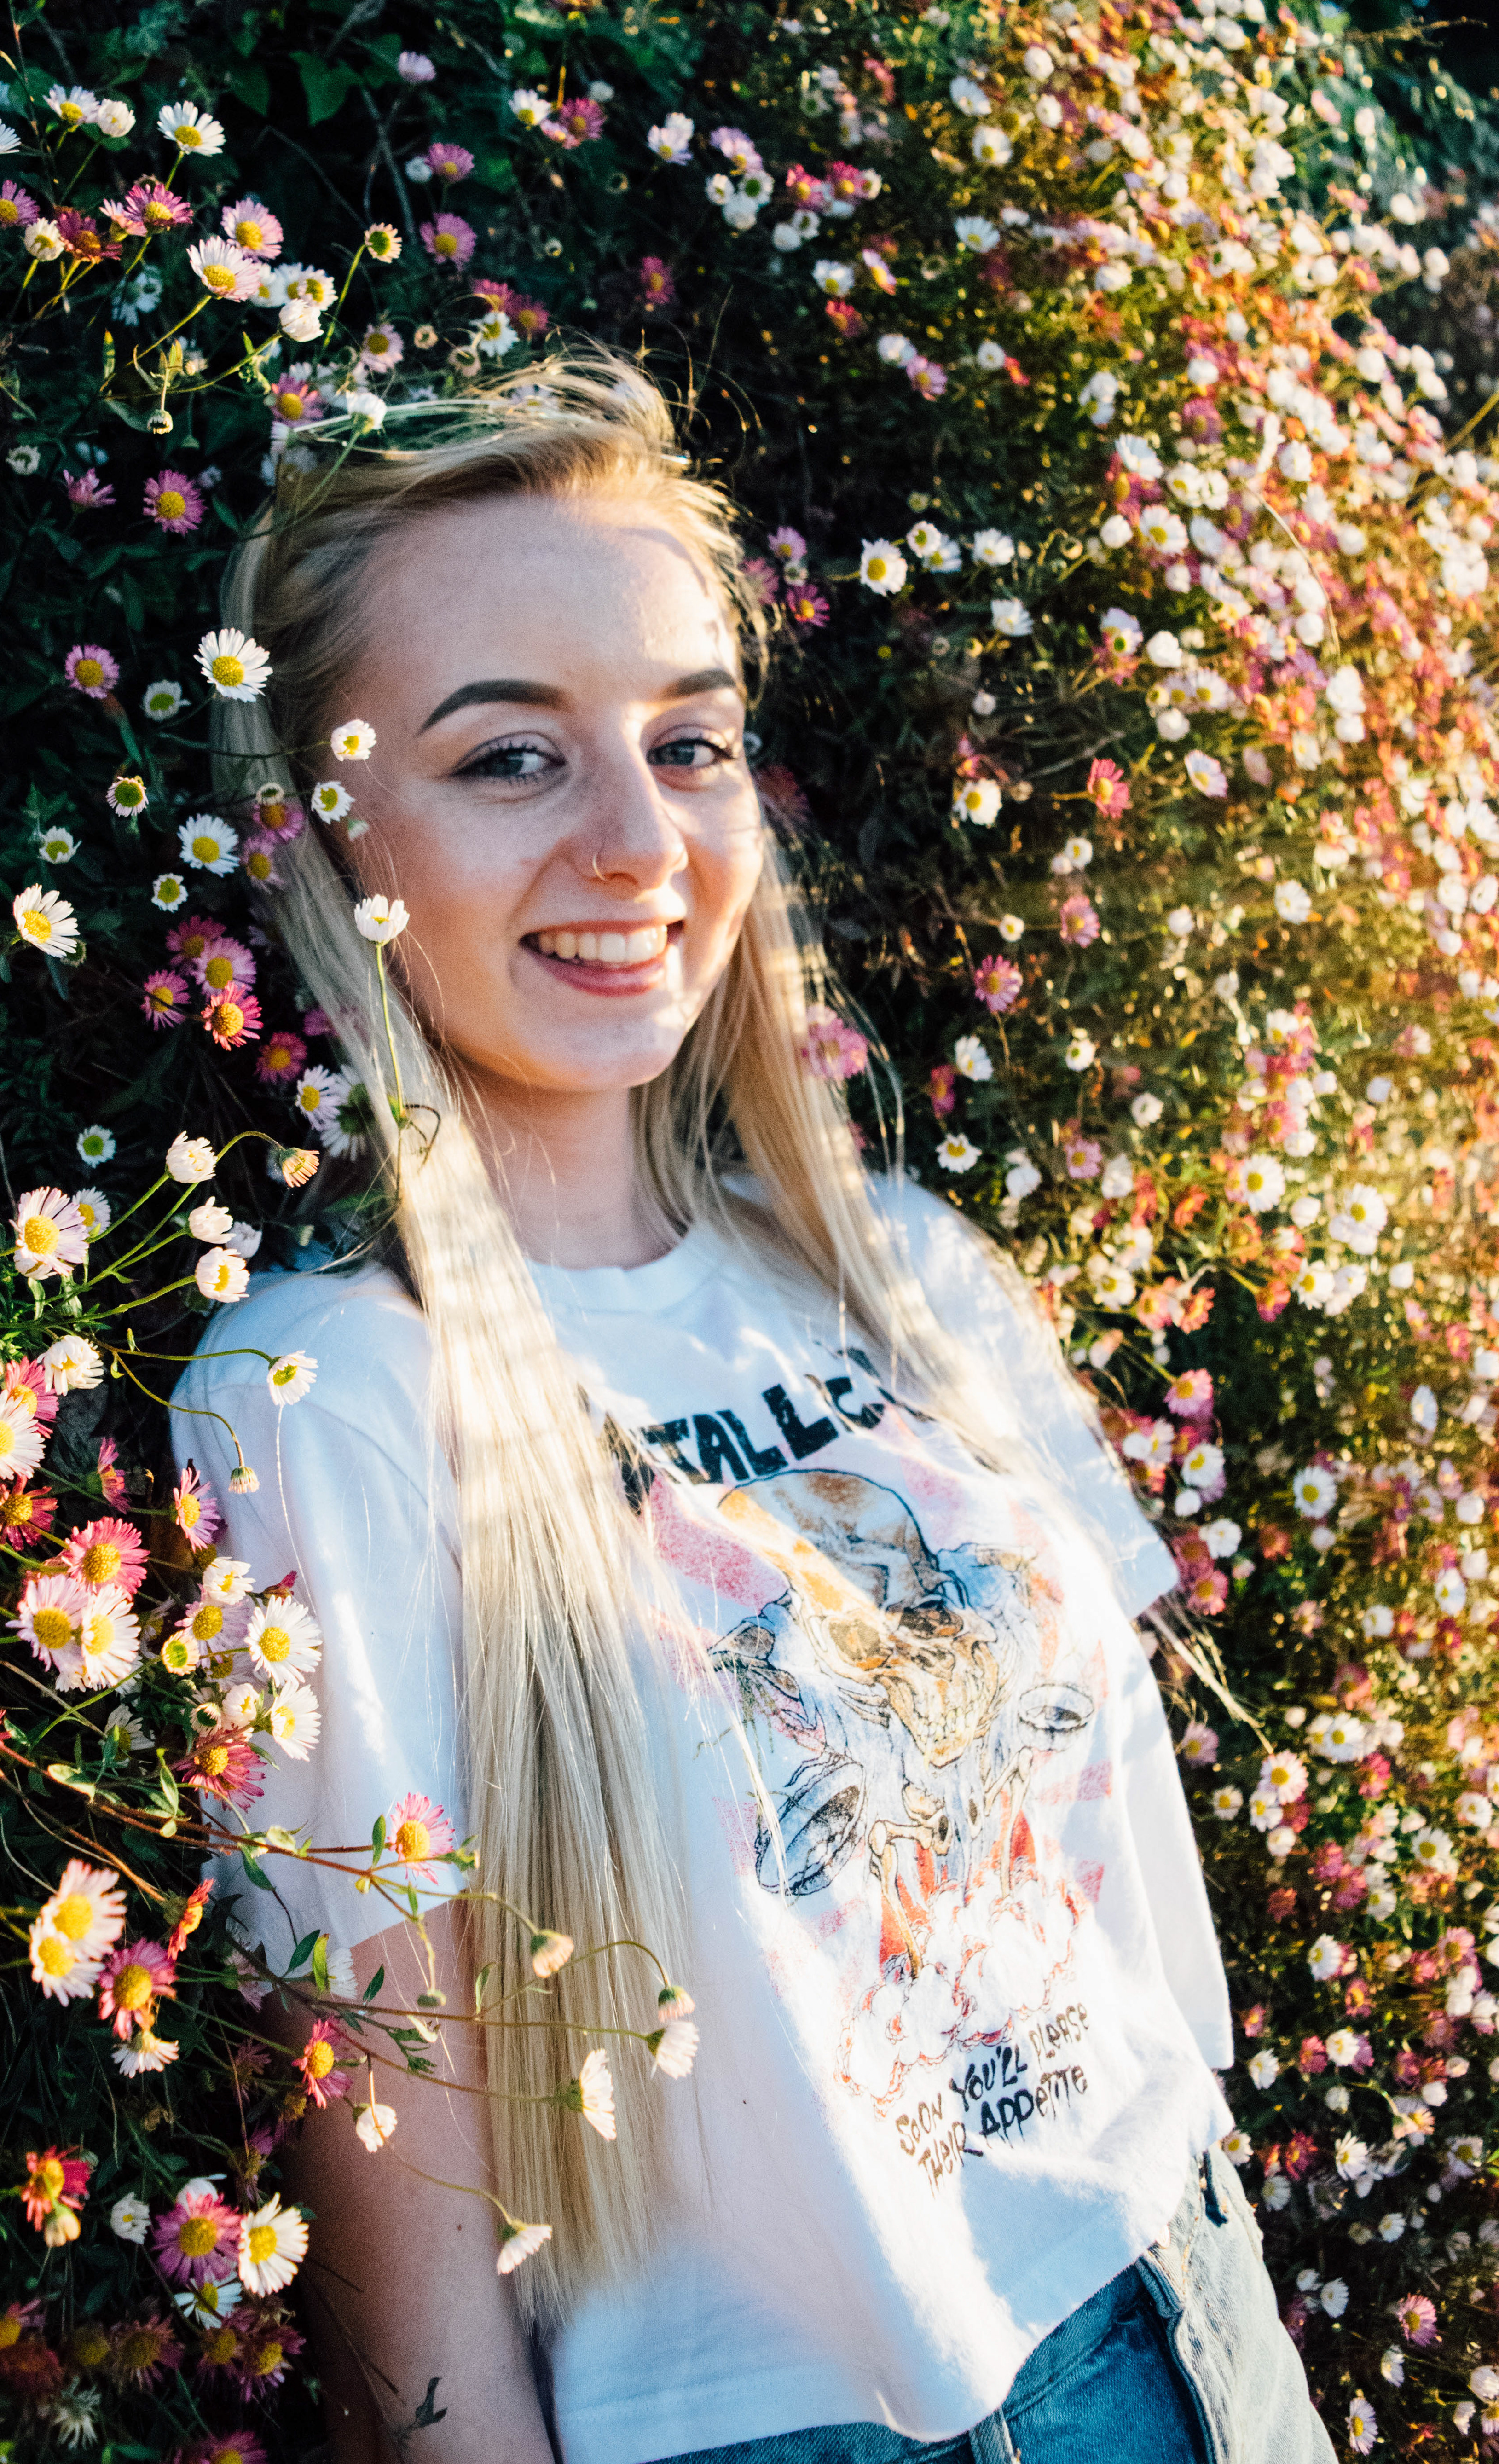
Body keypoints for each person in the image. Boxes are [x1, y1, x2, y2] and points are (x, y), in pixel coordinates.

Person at [174, 357, 1332, 2464]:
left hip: (1181, 2325)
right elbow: (401, 2207)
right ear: (323, 835)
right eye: (514, 757)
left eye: (688, 742)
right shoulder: (325, 1403)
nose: (638, 843)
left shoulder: (907, 1265)